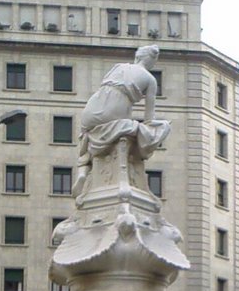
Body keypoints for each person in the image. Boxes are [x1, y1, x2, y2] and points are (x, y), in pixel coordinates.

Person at [73, 44, 170, 195]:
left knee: (86, 135)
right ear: (152, 62)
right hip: (116, 110)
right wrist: (161, 126)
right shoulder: (150, 79)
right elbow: (149, 117)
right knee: (144, 127)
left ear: (137, 57)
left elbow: (105, 86)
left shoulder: (118, 67)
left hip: (93, 105)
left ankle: (82, 173)